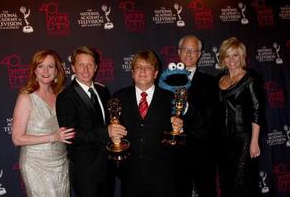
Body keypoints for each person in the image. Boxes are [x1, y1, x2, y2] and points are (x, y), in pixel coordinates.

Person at [108, 50, 183, 197]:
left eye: (148, 67)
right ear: (132, 73)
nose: (142, 71)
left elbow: (179, 133)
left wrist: (179, 127)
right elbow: (112, 133)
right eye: (138, 67)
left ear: (155, 73)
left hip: (163, 175)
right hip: (130, 174)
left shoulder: (170, 98)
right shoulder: (118, 98)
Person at [56, 46, 119, 197]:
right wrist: (106, 132)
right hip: (85, 171)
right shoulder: (66, 97)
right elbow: (71, 134)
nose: (86, 69)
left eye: (90, 64)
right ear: (73, 67)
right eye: (81, 65)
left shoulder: (103, 91)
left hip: (107, 166)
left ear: (96, 67)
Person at [12, 50, 75, 197]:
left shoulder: (61, 95)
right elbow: (17, 139)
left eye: (50, 66)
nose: (45, 71)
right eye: (41, 66)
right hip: (36, 164)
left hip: (61, 162)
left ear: (57, 70)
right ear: (34, 70)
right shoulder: (26, 98)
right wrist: (53, 137)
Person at [217, 37, 262, 197]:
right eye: (227, 56)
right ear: (223, 58)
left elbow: (257, 110)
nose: (231, 60)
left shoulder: (250, 78)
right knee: (227, 181)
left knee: (242, 181)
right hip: (223, 140)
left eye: (235, 55)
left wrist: (254, 142)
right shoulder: (219, 79)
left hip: (243, 138)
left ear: (242, 56)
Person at [176, 35, 218, 197]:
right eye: (185, 50)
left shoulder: (211, 82)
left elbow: (210, 115)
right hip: (176, 150)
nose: (189, 54)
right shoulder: (165, 79)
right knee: (179, 190)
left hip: (203, 149)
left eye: (194, 50)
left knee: (207, 190)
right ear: (179, 52)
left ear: (200, 54)